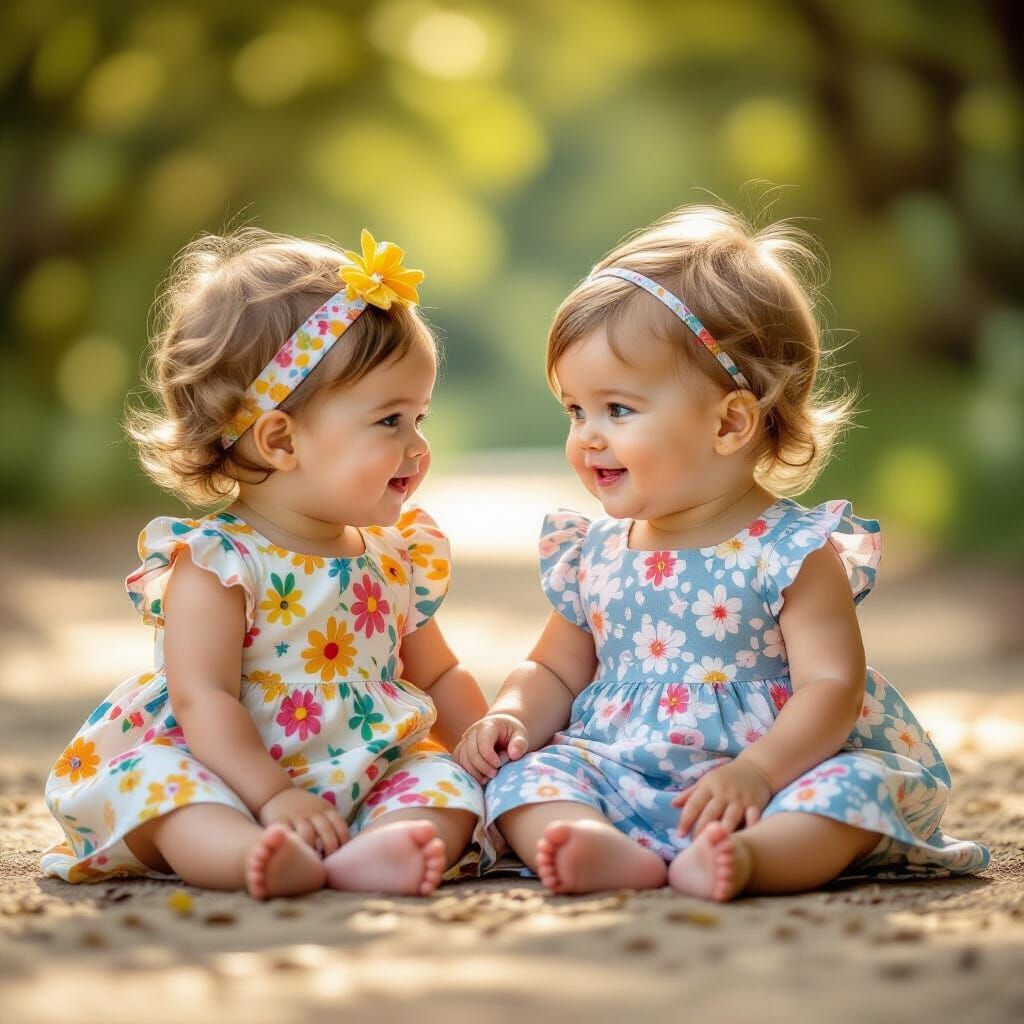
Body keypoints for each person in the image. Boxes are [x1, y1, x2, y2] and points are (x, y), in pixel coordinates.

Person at [456, 205, 989, 900]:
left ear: (730, 420)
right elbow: (552, 668)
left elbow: (832, 686)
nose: (587, 436)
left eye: (617, 409)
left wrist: (761, 773)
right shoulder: (595, 553)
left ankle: (755, 856)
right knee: (526, 782)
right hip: (624, 769)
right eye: (574, 411)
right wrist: (512, 717)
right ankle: (597, 844)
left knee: (850, 792)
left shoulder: (791, 550)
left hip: (774, 776)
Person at [43, 228, 491, 899]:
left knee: (447, 790)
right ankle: (249, 852)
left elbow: (440, 670)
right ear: (281, 438)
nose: (417, 446)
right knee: (167, 795)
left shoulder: (394, 559)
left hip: (363, 767)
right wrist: (273, 795)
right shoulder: (220, 562)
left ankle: (383, 846)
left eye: (419, 417)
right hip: (225, 772)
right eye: (390, 421)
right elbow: (204, 697)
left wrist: (483, 745)